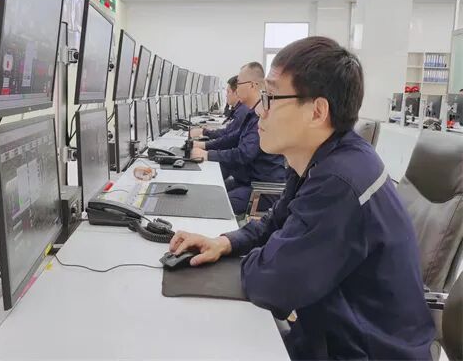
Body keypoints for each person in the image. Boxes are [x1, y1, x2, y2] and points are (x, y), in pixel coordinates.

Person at [172, 37, 436, 360]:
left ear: (317, 111)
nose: (260, 111)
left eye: (270, 97)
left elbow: (272, 283)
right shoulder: (321, 159)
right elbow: (275, 222)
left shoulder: (340, 182)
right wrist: (226, 242)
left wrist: (263, 255)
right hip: (326, 336)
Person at [191, 62, 285, 215]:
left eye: (239, 83)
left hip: (262, 188)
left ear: (252, 85)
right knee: (206, 193)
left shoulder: (262, 114)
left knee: (213, 206)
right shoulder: (252, 112)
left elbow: (244, 153)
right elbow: (233, 138)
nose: (237, 88)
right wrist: (204, 147)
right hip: (248, 181)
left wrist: (207, 154)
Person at [190, 75, 246, 139]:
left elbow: (227, 135)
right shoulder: (241, 109)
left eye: (228, 92)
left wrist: (204, 133)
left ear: (236, 93)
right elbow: (228, 132)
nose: (226, 95)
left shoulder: (241, 112)